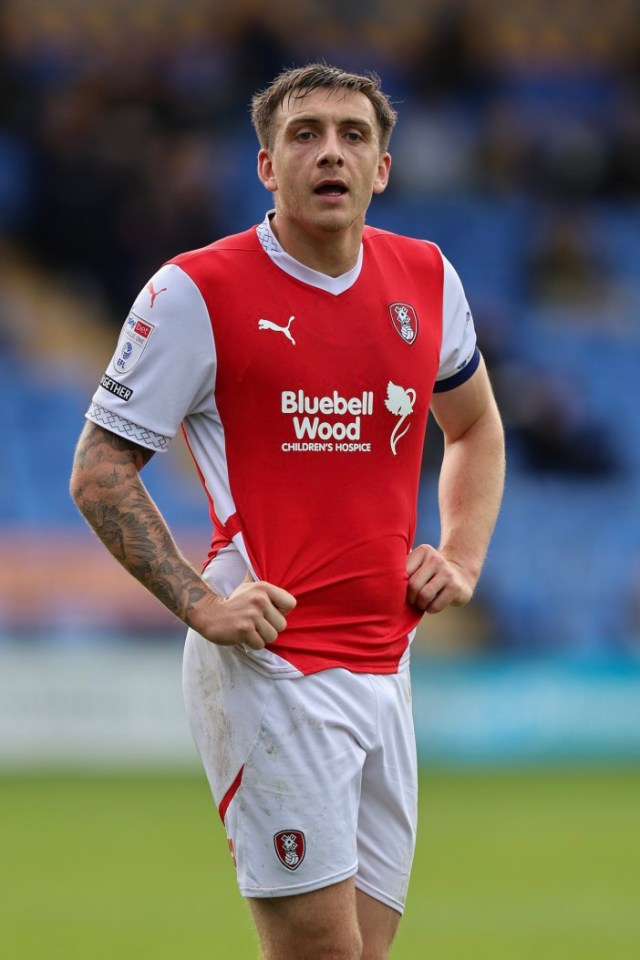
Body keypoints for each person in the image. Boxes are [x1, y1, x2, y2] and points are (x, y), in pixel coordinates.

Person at [70, 63, 505, 960]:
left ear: (383, 168)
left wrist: (460, 553)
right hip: (268, 669)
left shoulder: (427, 279)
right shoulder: (196, 292)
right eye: (304, 134)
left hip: (386, 664)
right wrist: (201, 602)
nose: (330, 153)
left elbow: (475, 429)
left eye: (353, 135)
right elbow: (99, 470)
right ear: (266, 165)